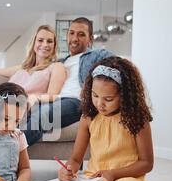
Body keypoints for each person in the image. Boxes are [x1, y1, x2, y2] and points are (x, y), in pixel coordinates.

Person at [58, 56, 158, 181]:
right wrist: (67, 170)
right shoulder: (88, 118)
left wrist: (113, 174)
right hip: (95, 180)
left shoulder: (137, 119)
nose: (100, 104)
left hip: (126, 179)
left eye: (108, 99)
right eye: (95, 95)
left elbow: (147, 163)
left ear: (124, 95)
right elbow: (75, 159)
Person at [23, 17, 113, 145]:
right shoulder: (60, 62)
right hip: (55, 100)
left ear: (90, 39)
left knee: (43, 115)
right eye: (71, 33)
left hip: (76, 102)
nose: (75, 38)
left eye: (81, 34)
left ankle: (6, 156)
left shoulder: (97, 55)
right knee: (17, 113)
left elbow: (120, 65)